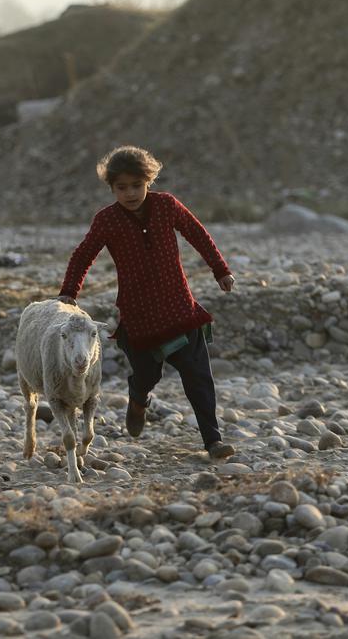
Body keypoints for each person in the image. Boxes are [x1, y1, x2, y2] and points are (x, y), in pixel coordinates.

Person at [57, 145, 237, 460]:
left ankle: (213, 440)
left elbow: (197, 233)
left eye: (136, 185)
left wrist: (220, 270)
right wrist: (69, 290)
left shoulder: (167, 206)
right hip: (139, 318)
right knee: (145, 375)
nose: (130, 193)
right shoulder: (107, 220)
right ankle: (138, 399)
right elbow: (84, 253)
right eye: (121, 187)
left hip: (180, 310)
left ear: (149, 181)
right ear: (111, 188)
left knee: (198, 377)